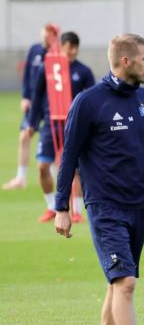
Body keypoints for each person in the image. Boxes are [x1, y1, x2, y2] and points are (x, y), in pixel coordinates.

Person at [54, 33, 144, 325]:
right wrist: (61, 207)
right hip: (105, 208)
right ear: (126, 61)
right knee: (125, 283)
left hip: (139, 206)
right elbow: (69, 155)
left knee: (117, 283)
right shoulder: (88, 102)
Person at [27, 31, 95, 223]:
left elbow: (93, 99)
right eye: (69, 47)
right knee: (42, 166)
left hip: (74, 125)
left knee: (74, 169)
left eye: (75, 47)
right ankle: (51, 207)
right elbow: (37, 95)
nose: (72, 51)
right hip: (50, 124)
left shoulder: (83, 71)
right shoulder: (47, 68)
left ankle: (77, 211)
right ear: (61, 47)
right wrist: (32, 122)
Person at [3, 25, 53, 190]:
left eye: (50, 35)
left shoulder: (57, 53)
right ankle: (21, 178)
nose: (46, 37)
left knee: (51, 139)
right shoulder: (34, 50)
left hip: (49, 104)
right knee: (25, 136)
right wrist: (25, 96)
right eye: (44, 34)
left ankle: (55, 175)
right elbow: (26, 76)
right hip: (33, 102)